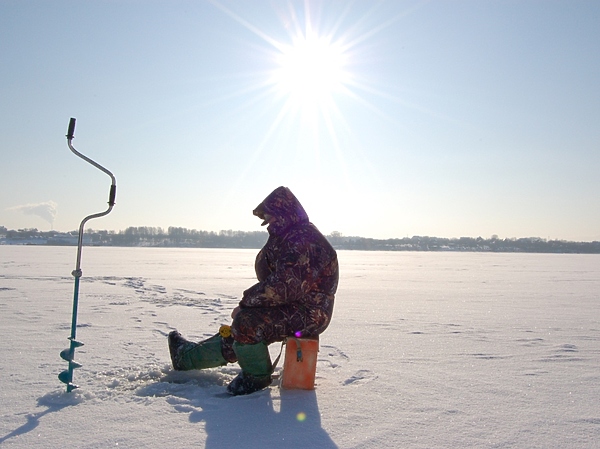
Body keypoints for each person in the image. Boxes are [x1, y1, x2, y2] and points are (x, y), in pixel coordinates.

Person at [168, 186, 339, 395]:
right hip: (292, 304)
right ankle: (186, 357)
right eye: (267, 220)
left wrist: (245, 303)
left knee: (247, 323)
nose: (270, 224)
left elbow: (284, 286)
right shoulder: (288, 237)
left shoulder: (304, 241)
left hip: (310, 313)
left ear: (285, 214)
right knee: (246, 327)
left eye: (273, 219)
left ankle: (255, 380)